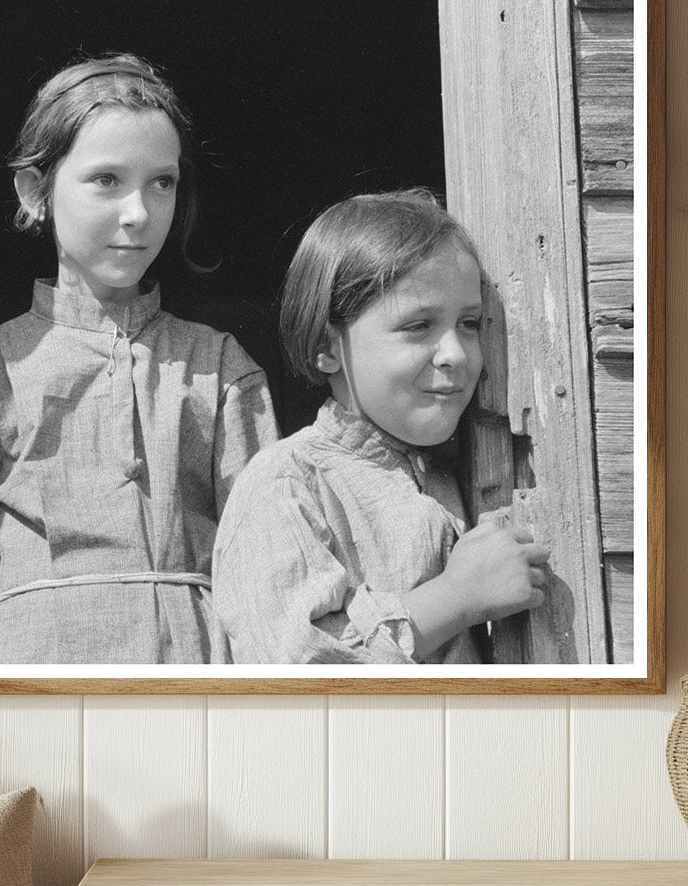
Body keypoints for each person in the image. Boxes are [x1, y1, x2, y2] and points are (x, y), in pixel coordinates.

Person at [0, 53, 278, 664]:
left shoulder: (218, 367)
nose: (139, 213)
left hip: (192, 674)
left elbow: (267, 568)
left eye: (162, 182)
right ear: (35, 191)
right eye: (106, 179)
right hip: (33, 680)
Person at [212, 189, 548, 664]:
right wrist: (456, 598)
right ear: (327, 346)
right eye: (418, 326)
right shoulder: (287, 485)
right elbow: (295, 674)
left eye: (469, 323)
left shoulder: (456, 472)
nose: (455, 353)